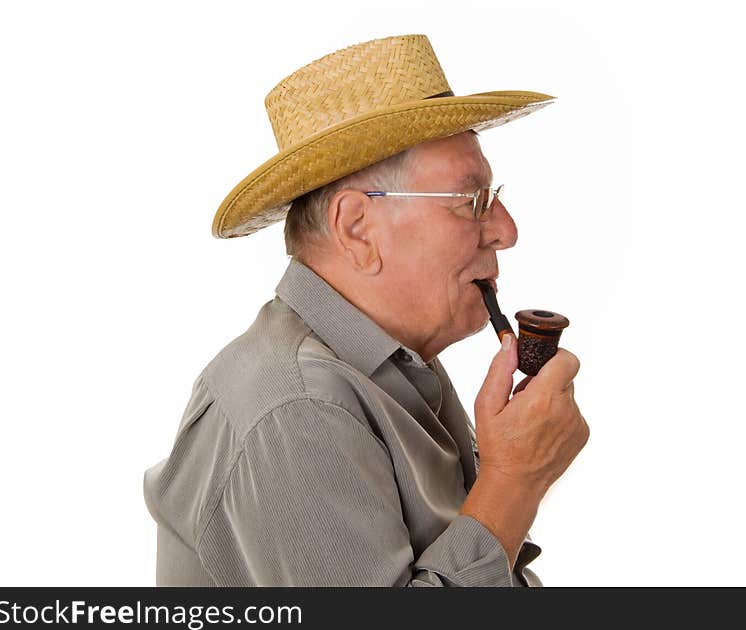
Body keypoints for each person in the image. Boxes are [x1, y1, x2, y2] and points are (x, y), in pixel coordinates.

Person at [143, 34, 589, 586]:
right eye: (471, 201)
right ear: (357, 230)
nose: (505, 230)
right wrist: (514, 480)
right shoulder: (299, 408)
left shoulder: (392, 372)